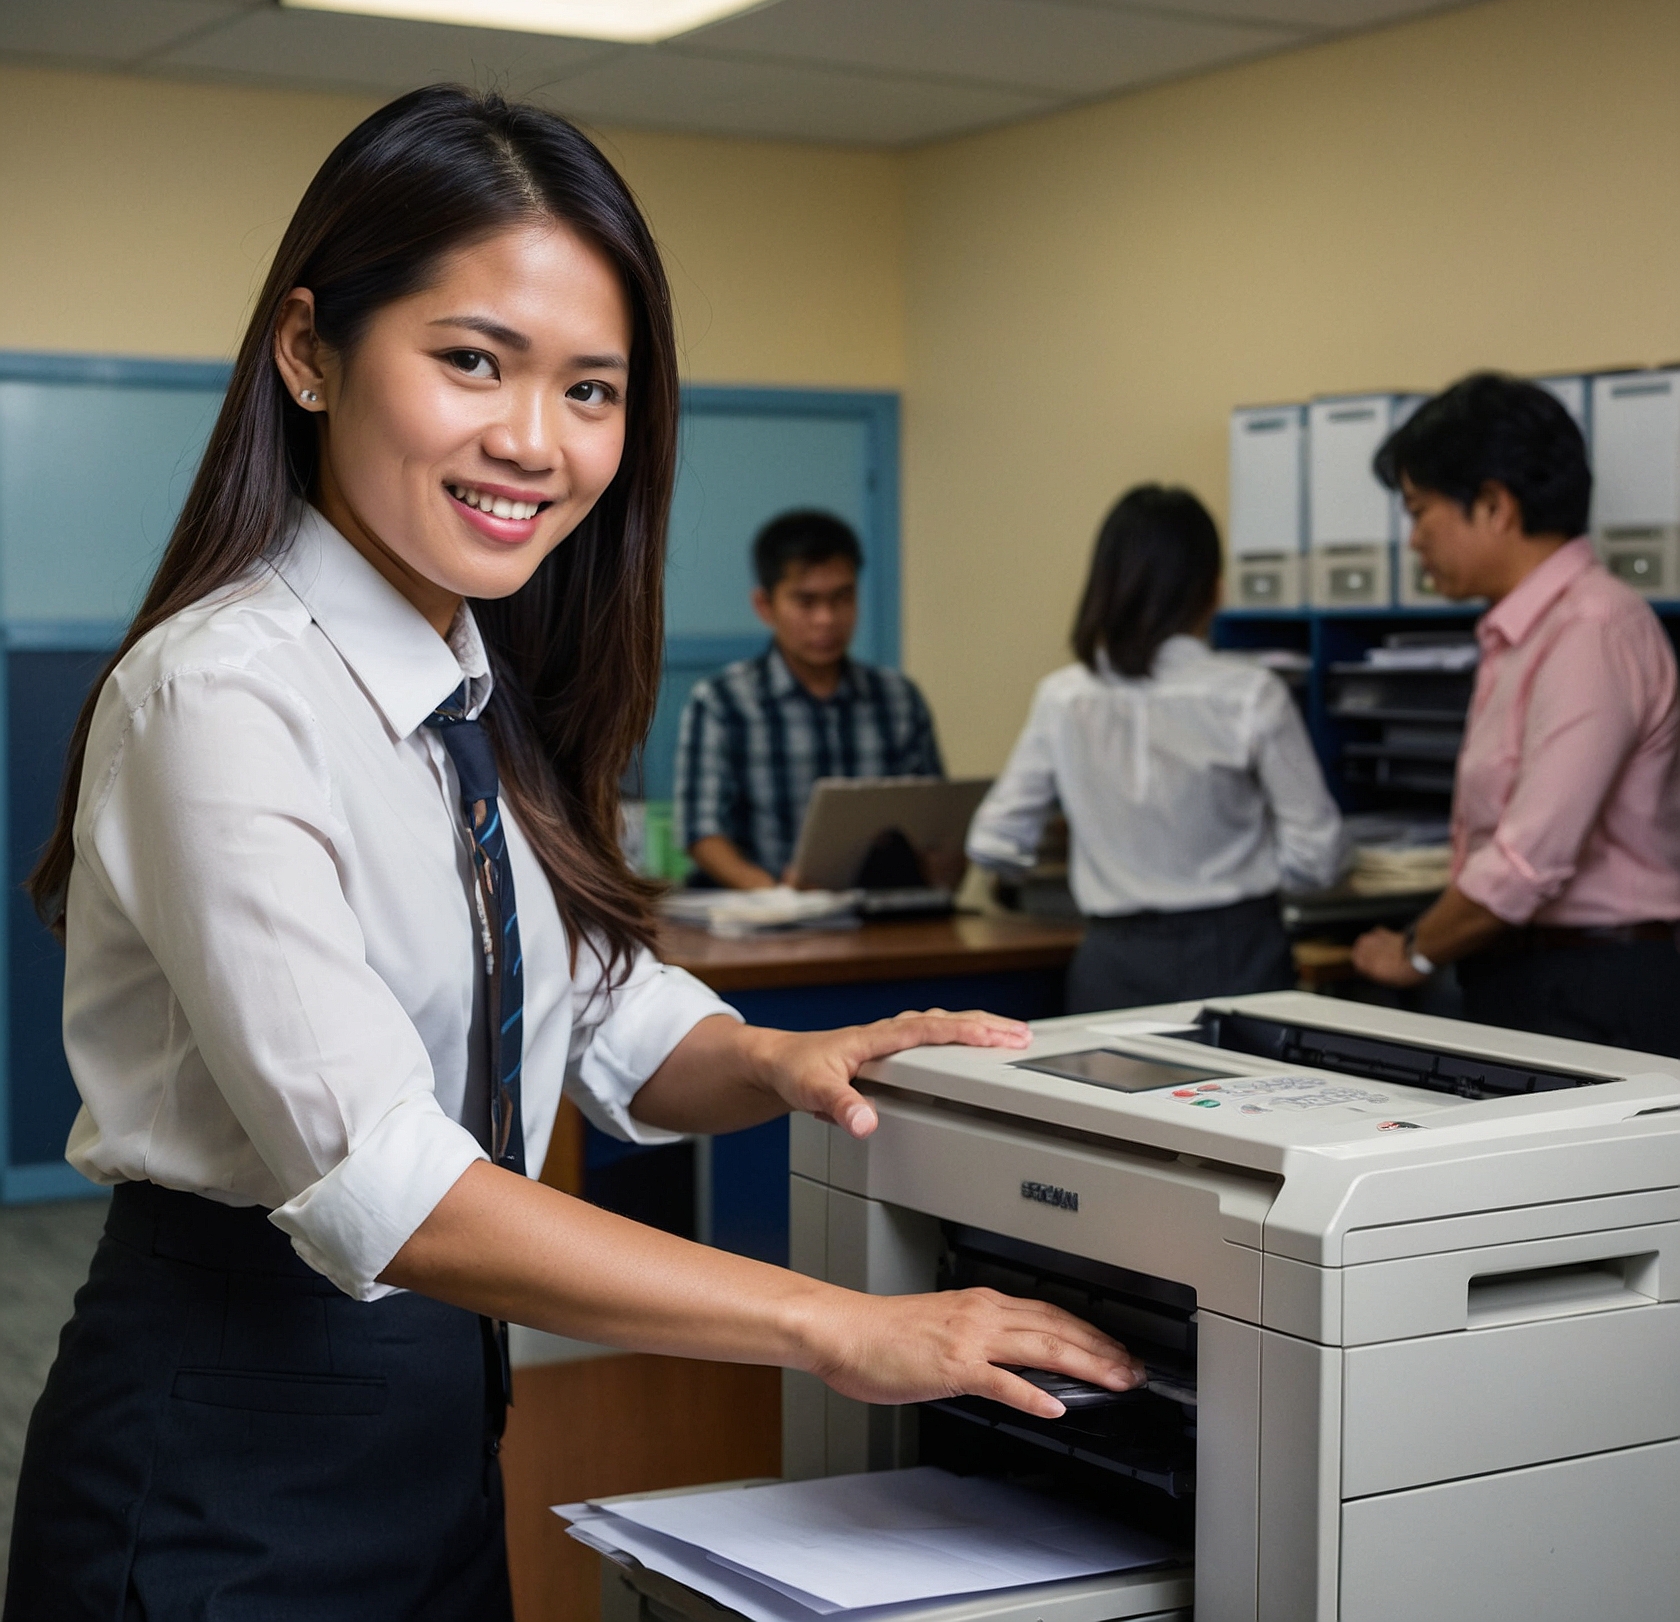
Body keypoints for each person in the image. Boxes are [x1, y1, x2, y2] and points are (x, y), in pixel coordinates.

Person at [3, 88, 1142, 1622]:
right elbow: (391, 1190)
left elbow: (600, 1014)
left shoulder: (476, 679)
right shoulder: (225, 694)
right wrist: (838, 1326)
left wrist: (784, 1058)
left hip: (439, 1423)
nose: (535, 442)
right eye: (472, 361)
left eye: (592, 391)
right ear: (309, 351)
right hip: (225, 1446)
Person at [1351, 373, 1680, 1053]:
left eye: (1419, 511)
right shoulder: (1522, 632)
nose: (1413, 541)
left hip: (1595, 987)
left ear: (1495, 506)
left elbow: (1528, 861)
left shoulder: (1591, 628)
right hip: (1529, 973)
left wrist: (1413, 952)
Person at [967, 485, 1344, 1013]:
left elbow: (996, 843)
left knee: (1106, 1096)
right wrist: (1235, 870)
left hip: (1113, 959)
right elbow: (1318, 856)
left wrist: (1104, 856)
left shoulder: (1063, 696)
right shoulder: (1250, 693)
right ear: (1213, 589)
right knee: (1250, 1097)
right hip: (1238, 951)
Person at [674, 509, 944, 888]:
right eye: (805, 602)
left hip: (878, 913)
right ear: (765, 606)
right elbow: (701, 831)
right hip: (765, 918)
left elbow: (933, 821)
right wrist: (776, 896)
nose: (826, 619)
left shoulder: (897, 699)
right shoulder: (723, 701)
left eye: (842, 598)